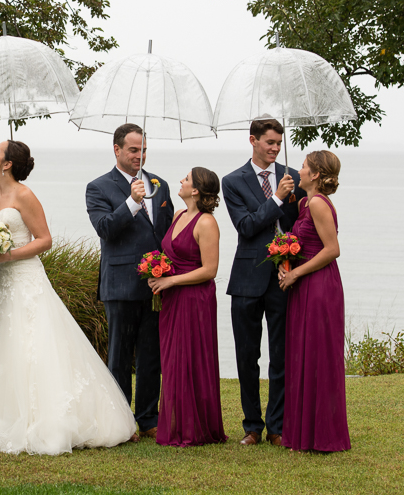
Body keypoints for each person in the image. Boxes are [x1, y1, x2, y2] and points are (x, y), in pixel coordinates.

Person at [0, 140, 137, 455]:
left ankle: (43, 418)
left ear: (7, 164)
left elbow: (45, 240)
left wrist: (9, 256)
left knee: (29, 345)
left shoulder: (24, 195)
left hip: (23, 279)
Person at [85, 123, 173, 438]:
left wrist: (168, 271)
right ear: (117, 149)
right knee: (120, 357)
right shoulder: (98, 187)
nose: (140, 156)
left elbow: (165, 233)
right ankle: (121, 421)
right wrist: (132, 203)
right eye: (134, 150)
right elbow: (105, 228)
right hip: (120, 284)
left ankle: (149, 418)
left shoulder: (159, 185)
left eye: (144, 150)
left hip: (155, 284)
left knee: (152, 355)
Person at [222, 117, 305, 446]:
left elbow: (301, 227)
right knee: (246, 354)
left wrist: (293, 261)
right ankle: (252, 426)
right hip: (246, 278)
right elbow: (246, 226)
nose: (275, 148)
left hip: (284, 277)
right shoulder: (233, 181)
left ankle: (277, 425)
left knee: (281, 354)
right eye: (269, 142)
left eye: (279, 143)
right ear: (253, 140)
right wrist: (277, 199)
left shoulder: (294, 177)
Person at [148, 167, 226, 447]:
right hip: (172, 298)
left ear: (195, 190)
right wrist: (157, 272)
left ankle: (196, 427)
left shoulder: (206, 223)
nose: (180, 181)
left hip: (195, 299)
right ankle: (176, 422)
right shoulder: (180, 215)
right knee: (172, 359)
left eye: (186, 179)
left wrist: (172, 281)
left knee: (192, 359)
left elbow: (210, 269)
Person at [278, 151, 350, 453]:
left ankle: (324, 434)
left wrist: (297, 274)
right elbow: (303, 243)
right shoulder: (305, 203)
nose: (299, 170)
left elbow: (332, 249)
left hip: (320, 286)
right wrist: (286, 263)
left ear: (316, 174)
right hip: (305, 283)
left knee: (319, 356)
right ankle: (305, 432)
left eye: (304, 166)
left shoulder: (319, 203)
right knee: (304, 354)